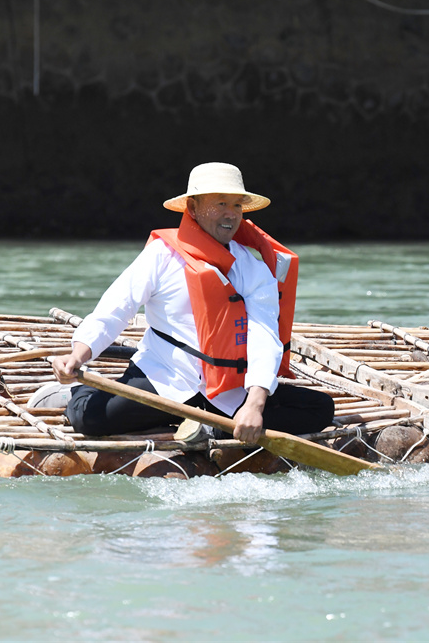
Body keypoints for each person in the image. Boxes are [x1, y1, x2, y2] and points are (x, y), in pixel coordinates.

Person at [51, 162, 334, 443]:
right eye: (220, 203)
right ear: (193, 208)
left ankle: (209, 427)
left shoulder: (252, 268)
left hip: (228, 390)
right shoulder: (161, 255)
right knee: (87, 418)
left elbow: (265, 335)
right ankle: (77, 392)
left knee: (320, 409)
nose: (231, 213)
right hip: (165, 378)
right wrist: (78, 357)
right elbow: (115, 308)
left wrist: (254, 404)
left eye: (237, 205)